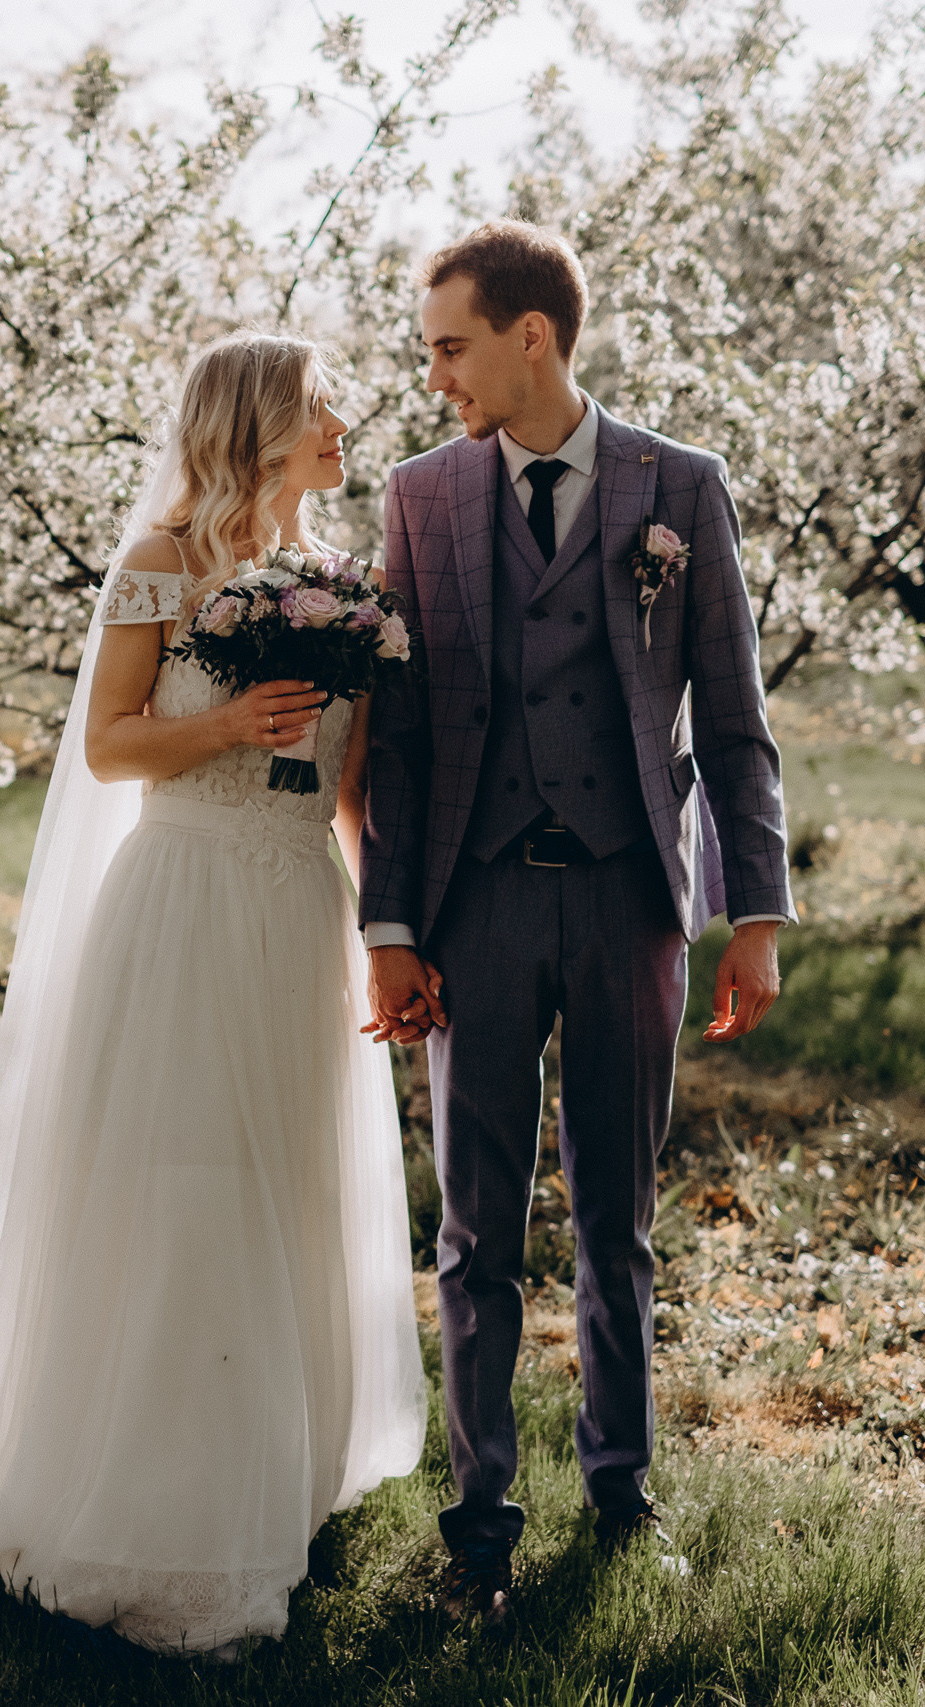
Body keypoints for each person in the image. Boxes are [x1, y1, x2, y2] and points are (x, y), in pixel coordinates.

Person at [0, 330, 425, 1658]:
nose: (347, 421)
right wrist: (227, 721)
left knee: (281, 1182)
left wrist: (385, 934)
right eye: (323, 402)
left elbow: (349, 789)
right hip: (179, 904)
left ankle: (269, 1476)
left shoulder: (346, 587)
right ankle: (151, 1507)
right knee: (176, 1187)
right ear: (262, 424)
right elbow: (109, 748)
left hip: (295, 915)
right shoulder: (159, 563)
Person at [358, 220, 796, 1623]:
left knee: (618, 1221)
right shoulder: (421, 499)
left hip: (629, 908)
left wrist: (755, 916)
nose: (436, 377)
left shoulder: (683, 487)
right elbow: (408, 741)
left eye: (450, 346)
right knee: (476, 1233)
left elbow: (735, 721)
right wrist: (392, 928)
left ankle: (621, 1494)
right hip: (474, 905)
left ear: (528, 337)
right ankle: (480, 1521)